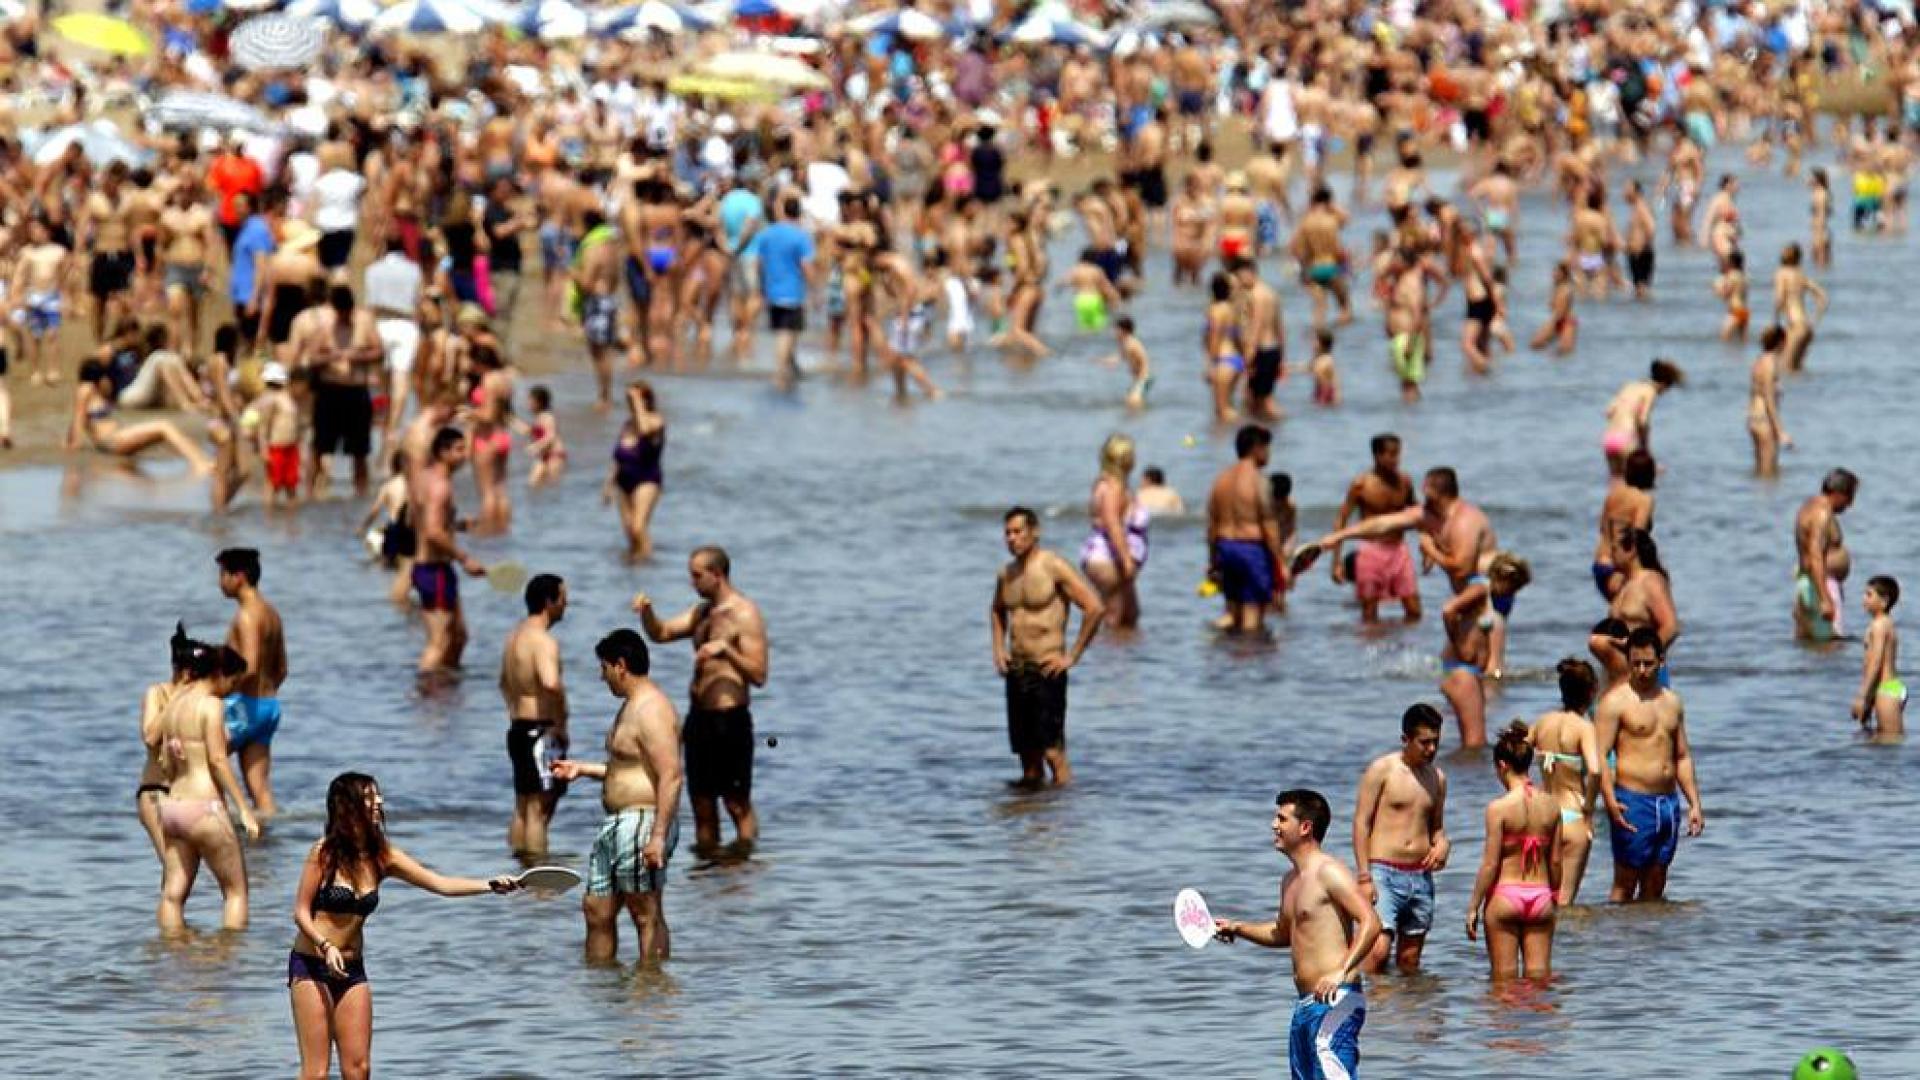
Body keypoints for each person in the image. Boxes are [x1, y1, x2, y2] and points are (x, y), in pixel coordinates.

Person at [289, 772, 520, 1080]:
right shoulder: (323, 853)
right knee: (316, 1073)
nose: (379, 802)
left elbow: (440, 883)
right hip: (311, 965)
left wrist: (490, 885)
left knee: (358, 1070)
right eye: (370, 797)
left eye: (378, 796)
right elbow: (300, 913)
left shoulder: (383, 856)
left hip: (352, 969)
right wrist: (325, 945)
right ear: (347, 806)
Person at [1211, 789, 1380, 1080]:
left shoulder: (1330, 872)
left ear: (1305, 828)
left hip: (1336, 999)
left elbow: (1371, 922)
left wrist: (1341, 971)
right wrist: (1238, 928)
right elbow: (1283, 933)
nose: (1273, 825)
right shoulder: (1290, 880)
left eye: (1281, 818)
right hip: (1305, 1004)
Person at [553, 630, 684, 966]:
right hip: (616, 825)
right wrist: (582, 769)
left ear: (621, 666)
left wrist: (657, 837)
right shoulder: (629, 708)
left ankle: (652, 997)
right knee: (596, 910)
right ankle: (602, 992)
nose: (602, 675)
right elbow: (628, 769)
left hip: (642, 823)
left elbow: (671, 775)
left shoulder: (653, 709)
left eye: (605, 667)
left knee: (645, 913)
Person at [632, 546, 769, 853]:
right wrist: (647, 613)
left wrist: (727, 650)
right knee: (702, 807)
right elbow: (662, 632)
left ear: (717, 575)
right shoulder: (702, 613)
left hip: (730, 719)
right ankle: (707, 875)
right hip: (699, 720)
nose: (692, 583)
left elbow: (759, 674)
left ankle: (743, 866)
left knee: (736, 803)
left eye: (697, 576)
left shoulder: (744, 614)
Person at [990, 506, 1105, 788]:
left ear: (1034, 532)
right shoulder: (1006, 574)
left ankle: (1060, 819)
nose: (1012, 538)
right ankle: (1028, 821)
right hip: (1017, 671)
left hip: (1047, 669)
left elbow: (1094, 608)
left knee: (1053, 753)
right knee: (1028, 759)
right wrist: (998, 649)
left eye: (1017, 532)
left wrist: (1072, 656)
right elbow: (996, 611)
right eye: (1007, 533)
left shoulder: (1053, 566)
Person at [153, 632, 260, 932]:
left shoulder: (174, 703)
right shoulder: (211, 706)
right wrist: (244, 809)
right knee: (235, 891)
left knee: (173, 894)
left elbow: (165, 758)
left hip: (173, 806)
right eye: (232, 683)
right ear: (220, 674)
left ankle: (172, 952)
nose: (230, 692)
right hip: (204, 807)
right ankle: (230, 962)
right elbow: (217, 760)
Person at [1596, 629, 1705, 903]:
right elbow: (1599, 756)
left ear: (1662, 661)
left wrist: (1694, 803)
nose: (1642, 670)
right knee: (1625, 880)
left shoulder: (1672, 702)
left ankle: (1651, 939)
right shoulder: (1615, 703)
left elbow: (1682, 756)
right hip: (1632, 801)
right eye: (1635, 664)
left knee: (1657, 881)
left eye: (1648, 663)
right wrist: (1609, 801)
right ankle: (1618, 940)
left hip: (1668, 804)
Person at [1351, 705, 1449, 975]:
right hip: (1384, 872)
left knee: (1409, 962)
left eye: (1436, 742)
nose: (1431, 749)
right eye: (1424, 742)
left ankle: (1406, 1014)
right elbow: (1361, 823)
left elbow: (1437, 829)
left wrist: (1443, 845)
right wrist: (1363, 876)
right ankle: (1376, 1012)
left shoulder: (1437, 779)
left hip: (1420, 876)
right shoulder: (1382, 770)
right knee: (1377, 953)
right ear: (1406, 739)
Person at [1464, 722, 1561, 981]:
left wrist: (1473, 907)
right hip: (1541, 896)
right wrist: (1554, 896)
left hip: (1505, 897)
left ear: (1502, 765)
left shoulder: (1499, 808)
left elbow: (1490, 865)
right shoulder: (1552, 805)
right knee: (1540, 983)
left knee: (1503, 985)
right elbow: (1555, 861)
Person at [501, 573, 570, 858]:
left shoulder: (513, 637)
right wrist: (561, 721)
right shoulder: (542, 641)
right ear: (548, 602)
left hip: (518, 727)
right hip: (541, 730)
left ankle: (519, 866)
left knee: (523, 804)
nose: (567, 605)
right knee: (539, 809)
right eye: (563, 599)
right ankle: (538, 882)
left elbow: (503, 684)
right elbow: (551, 683)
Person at [409, 427, 487, 672]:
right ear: (442, 452)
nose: (465, 455)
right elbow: (432, 532)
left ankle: (447, 693)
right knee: (440, 641)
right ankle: (426, 703)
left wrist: (457, 525)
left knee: (459, 637)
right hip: (434, 570)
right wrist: (465, 559)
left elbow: (420, 521)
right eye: (459, 449)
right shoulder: (440, 487)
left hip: (434, 569)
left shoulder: (424, 477)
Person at [217, 548, 287, 820]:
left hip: (244, 706)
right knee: (260, 788)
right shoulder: (272, 613)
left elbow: (250, 666)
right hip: (268, 707)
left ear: (239, 577)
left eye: (223, 574)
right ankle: (266, 844)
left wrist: (219, 692)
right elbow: (282, 669)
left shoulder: (247, 615)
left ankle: (217, 828)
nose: (220, 582)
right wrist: (262, 699)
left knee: (204, 762)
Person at [1529, 659, 1603, 904]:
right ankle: (1569, 943)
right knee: (1564, 901)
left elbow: (1516, 753)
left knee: (1542, 899)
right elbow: (1595, 771)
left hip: (1544, 814)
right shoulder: (1584, 727)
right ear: (1592, 690)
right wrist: (1589, 809)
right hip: (1573, 815)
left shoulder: (1542, 722)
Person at [1439, 553, 1532, 747]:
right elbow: (1493, 669)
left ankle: (1468, 776)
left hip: (1455, 672)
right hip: (1468, 676)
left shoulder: (1477, 604)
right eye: (1514, 590)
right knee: (1475, 744)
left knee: (1463, 741)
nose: (1512, 596)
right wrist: (1493, 696)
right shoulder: (1490, 611)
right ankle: (1471, 775)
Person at [1330, 434, 1420, 624]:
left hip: (1399, 550)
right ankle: (1369, 652)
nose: (1396, 459)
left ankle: (1408, 648)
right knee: (1369, 613)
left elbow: (1418, 515)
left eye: (1398, 454)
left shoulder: (1405, 482)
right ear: (1377, 456)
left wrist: (1429, 547)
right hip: (1371, 551)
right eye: (1391, 454)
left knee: (1414, 610)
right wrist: (1336, 561)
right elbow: (1341, 521)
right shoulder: (1361, 485)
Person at [1206, 425, 1287, 635]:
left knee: (1234, 613)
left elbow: (1212, 524)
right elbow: (1269, 524)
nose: (1269, 453)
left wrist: (1213, 560)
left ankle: (1231, 662)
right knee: (1253, 617)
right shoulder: (1259, 481)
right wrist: (1280, 562)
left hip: (1225, 548)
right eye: (1267, 448)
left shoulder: (1220, 480)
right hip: (1252, 549)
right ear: (1257, 448)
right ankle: (1250, 666)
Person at [66, 360, 213, 473]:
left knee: (163, 431)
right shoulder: (85, 389)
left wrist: (69, 440)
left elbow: (78, 418)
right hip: (112, 441)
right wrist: (74, 444)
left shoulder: (94, 394)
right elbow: (79, 417)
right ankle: (199, 463)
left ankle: (202, 459)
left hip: (116, 438)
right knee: (164, 426)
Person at [1589, 528, 1680, 688]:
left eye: (1615, 550)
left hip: (1645, 673)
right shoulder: (1622, 584)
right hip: (1618, 673)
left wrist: (1643, 654)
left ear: (1630, 550)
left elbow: (1670, 626)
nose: (1611, 556)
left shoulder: (1650, 581)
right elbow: (1599, 569)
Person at [138, 626, 196, 866]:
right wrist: (177, 698)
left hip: (187, 796)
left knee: (184, 873)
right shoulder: (157, 693)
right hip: (155, 792)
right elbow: (150, 737)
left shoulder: (200, 699)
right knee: (174, 868)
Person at [1080, 434, 1148, 630]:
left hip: (1107, 557)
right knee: (1115, 620)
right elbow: (1112, 523)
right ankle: (1109, 659)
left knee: (1130, 615)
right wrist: (1127, 559)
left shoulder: (1106, 484)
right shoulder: (1113, 488)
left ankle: (1123, 658)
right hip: (1109, 559)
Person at [605, 380, 666, 562]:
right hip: (623, 482)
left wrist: (639, 403)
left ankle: (648, 562)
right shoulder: (627, 425)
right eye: (629, 399)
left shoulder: (656, 420)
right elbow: (618, 458)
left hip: (647, 479)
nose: (630, 403)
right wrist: (608, 485)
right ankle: (634, 563)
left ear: (646, 399)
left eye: (635, 399)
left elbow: (645, 430)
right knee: (629, 531)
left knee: (638, 527)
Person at [1794, 468, 1858, 642]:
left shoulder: (1809, 506)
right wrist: (1826, 599)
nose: (1850, 504)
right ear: (1838, 493)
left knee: (1810, 647)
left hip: (1809, 584)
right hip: (1822, 586)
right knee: (1831, 647)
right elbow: (1815, 555)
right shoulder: (1822, 513)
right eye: (1849, 497)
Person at [758, 195, 816, 383]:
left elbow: (759, 263)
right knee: (787, 333)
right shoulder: (801, 236)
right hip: (792, 292)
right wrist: (815, 291)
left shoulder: (767, 233)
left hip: (771, 290)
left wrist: (761, 288)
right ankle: (780, 373)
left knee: (787, 332)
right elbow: (806, 266)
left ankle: (793, 367)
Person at [1592, 450, 1656, 600]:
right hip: (1620, 567)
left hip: (1600, 562)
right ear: (1650, 473)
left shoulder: (1613, 495)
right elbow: (1638, 535)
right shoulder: (1644, 500)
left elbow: (1603, 527)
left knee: (1618, 615)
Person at [1602, 360, 1684, 477]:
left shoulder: (1630, 386)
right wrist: (1646, 451)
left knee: (1616, 481)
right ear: (1665, 384)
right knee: (1642, 479)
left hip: (1609, 439)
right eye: (1667, 389)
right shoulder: (1650, 391)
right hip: (1626, 438)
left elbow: (1608, 412)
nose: (1664, 393)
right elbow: (1643, 421)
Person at [1853, 576, 1905, 741]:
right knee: (1877, 741)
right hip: (1885, 688)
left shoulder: (1879, 625)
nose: (1864, 599)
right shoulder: (1884, 623)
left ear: (1884, 601)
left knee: (1891, 741)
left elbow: (1876, 663)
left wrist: (1862, 696)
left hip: (1886, 690)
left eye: (1869, 595)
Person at [1747, 326, 1791, 478]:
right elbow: (1769, 398)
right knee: (1769, 475)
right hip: (1764, 420)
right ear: (1780, 342)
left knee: (1760, 470)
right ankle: (1767, 501)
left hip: (1753, 419)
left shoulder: (1758, 361)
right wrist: (1780, 431)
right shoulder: (1770, 364)